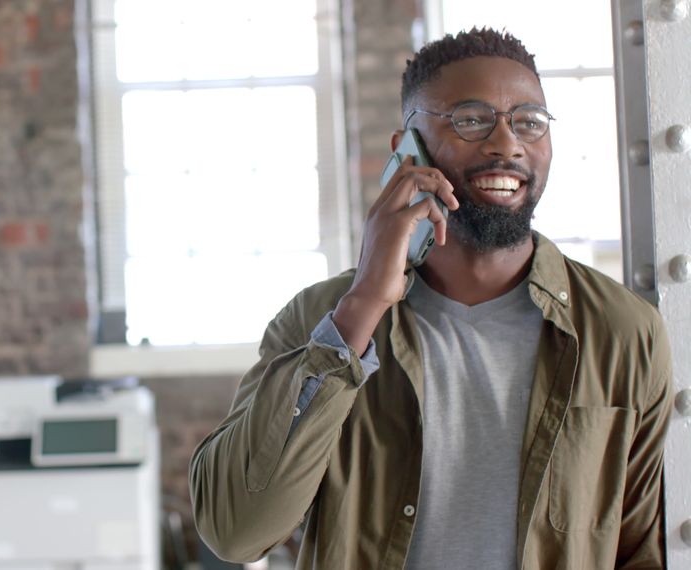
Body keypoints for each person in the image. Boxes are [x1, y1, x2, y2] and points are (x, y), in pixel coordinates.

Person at [189, 28, 673, 569]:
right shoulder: (318, 318)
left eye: (529, 122)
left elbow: (641, 553)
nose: (506, 144)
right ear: (406, 149)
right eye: (470, 119)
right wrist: (362, 306)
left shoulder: (623, 331)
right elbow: (233, 532)